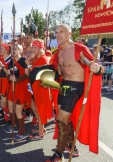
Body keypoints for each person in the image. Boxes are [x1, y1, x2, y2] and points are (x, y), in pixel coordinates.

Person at [46, 24, 104, 162]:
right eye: (56, 32)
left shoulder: (79, 49)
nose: (58, 35)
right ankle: (72, 146)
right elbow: (57, 70)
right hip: (63, 86)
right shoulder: (59, 52)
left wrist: (97, 68)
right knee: (65, 120)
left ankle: (59, 155)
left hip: (75, 88)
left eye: (61, 32)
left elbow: (94, 65)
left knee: (61, 120)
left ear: (69, 34)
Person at [4, 44, 30, 141]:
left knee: (18, 111)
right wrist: (9, 77)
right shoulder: (11, 61)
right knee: (11, 107)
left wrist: (17, 79)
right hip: (12, 87)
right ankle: (13, 126)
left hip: (21, 87)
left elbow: (27, 74)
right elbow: (8, 73)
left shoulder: (23, 60)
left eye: (15, 49)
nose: (13, 51)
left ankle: (21, 132)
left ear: (20, 50)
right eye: (12, 49)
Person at [28, 39, 51, 140]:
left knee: (39, 110)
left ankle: (40, 132)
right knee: (34, 108)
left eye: (35, 47)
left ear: (41, 48)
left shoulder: (44, 59)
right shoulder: (36, 58)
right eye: (32, 47)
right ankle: (41, 128)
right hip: (34, 87)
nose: (33, 49)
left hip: (41, 88)